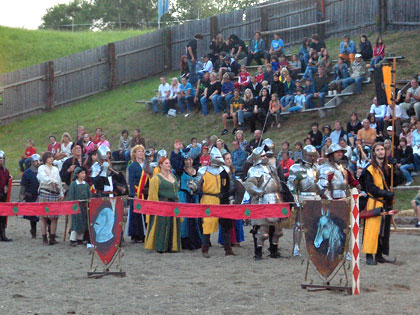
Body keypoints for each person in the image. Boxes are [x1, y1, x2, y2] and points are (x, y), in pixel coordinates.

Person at [188, 147, 236, 257]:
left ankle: (228, 249)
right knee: (207, 225)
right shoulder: (203, 170)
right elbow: (197, 184)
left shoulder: (225, 170)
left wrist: (231, 198)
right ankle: (205, 249)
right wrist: (193, 186)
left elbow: (231, 186)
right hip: (208, 199)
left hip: (223, 199)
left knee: (226, 225)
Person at [362, 142, 403, 265]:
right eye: (378, 150)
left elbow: (396, 182)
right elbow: (370, 188)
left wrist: (396, 168)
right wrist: (386, 194)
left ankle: (379, 255)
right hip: (374, 203)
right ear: (374, 153)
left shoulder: (388, 167)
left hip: (386, 203)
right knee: (372, 230)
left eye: (382, 149)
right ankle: (369, 256)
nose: (381, 151)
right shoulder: (369, 169)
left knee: (383, 231)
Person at [244, 147, 285, 260]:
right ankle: (258, 253)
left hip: (275, 199)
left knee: (277, 229)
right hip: (261, 200)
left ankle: (274, 250)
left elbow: (278, 182)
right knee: (262, 230)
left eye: (265, 155)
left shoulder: (271, 168)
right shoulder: (254, 170)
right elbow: (249, 184)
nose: (265, 157)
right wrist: (258, 191)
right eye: (262, 156)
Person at [287, 145, 320, 256]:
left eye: (313, 156)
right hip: (303, 197)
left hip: (315, 197)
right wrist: (296, 200)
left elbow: (319, 184)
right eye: (310, 156)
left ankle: (315, 247)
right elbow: (292, 186)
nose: (312, 158)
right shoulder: (296, 168)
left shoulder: (316, 168)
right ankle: (296, 248)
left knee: (316, 224)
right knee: (299, 224)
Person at [145, 157, 181, 253]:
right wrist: (156, 208)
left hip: (173, 205)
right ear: (160, 165)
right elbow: (153, 195)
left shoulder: (173, 176)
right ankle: (161, 246)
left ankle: (172, 246)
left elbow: (176, 191)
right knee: (162, 226)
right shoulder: (156, 179)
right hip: (162, 205)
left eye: (169, 163)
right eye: (166, 163)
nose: (168, 165)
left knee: (172, 225)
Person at [37, 152, 64, 245]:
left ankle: (52, 237)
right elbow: (43, 179)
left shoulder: (55, 169)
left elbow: (59, 181)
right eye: (49, 157)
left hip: (54, 194)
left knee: (54, 217)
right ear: (45, 159)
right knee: (44, 217)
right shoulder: (41, 168)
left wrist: (61, 192)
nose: (51, 159)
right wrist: (53, 181)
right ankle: (44, 237)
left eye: (52, 157)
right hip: (45, 192)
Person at [178, 157, 202, 250]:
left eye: (190, 160)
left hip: (194, 196)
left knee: (195, 219)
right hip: (184, 195)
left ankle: (195, 240)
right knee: (184, 220)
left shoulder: (197, 171)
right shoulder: (181, 171)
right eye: (186, 160)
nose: (188, 161)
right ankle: (184, 241)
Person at [127, 145, 150, 243]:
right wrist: (133, 194)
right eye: (139, 151)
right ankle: (136, 234)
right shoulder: (132, 166)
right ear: (135, 154)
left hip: (146, 192)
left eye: (142, 151)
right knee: (136, 213)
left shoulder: (147, 165)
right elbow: (131, 181)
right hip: (137, 191)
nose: (141, 153)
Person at [67, 167, 91, 247]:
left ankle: (80, 238)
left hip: (84, 206)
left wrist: (88, 202)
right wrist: (73, 205)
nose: (84, 175)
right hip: (76, 207)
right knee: (76, 223)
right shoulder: (73, 184)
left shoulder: (86, 185)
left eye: (84, 173)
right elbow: (71, 196)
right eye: (82, 173)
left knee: (83, 222)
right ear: (77, 175)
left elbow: (89, 195)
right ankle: (73, 239)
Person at [19, 154, 41, 239]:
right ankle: (33, 231)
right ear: (32, 162)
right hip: (31, 196)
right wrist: (21, 199)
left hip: (41, 195)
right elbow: (23, 187)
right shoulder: (27, 173)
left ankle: (50, 231)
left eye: (39, 161)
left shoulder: (43, 171)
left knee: (46, 214)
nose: (38, 163)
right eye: (36, 161)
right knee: (32, 217)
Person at [0, 150, 12, 242]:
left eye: (1, 159)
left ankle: (3, 235)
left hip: (2, 196)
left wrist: (7, 185)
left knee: (2, 215)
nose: (0, 160)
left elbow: (8, 181)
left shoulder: (5, 171)